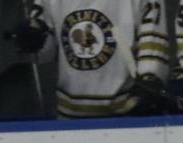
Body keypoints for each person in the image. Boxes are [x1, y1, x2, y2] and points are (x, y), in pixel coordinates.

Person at [11, 0, 170, 118]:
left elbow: (152, 37)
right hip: (70, 117)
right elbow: (47, 52)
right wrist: (34, 39)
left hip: (128, 114)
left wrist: (150, 78)